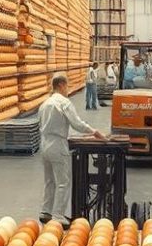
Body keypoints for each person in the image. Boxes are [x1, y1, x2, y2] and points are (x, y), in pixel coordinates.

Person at [38, 73, 105, 225]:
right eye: (66, 86)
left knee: (49, 181)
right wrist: (94, 132)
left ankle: (45, 211)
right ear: (61, 85)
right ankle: (58, 216)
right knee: (63, 182)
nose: (67, 89)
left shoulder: (45, 104)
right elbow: (77, 123)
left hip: (45, 144)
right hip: (57, 145)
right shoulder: (64, 103)